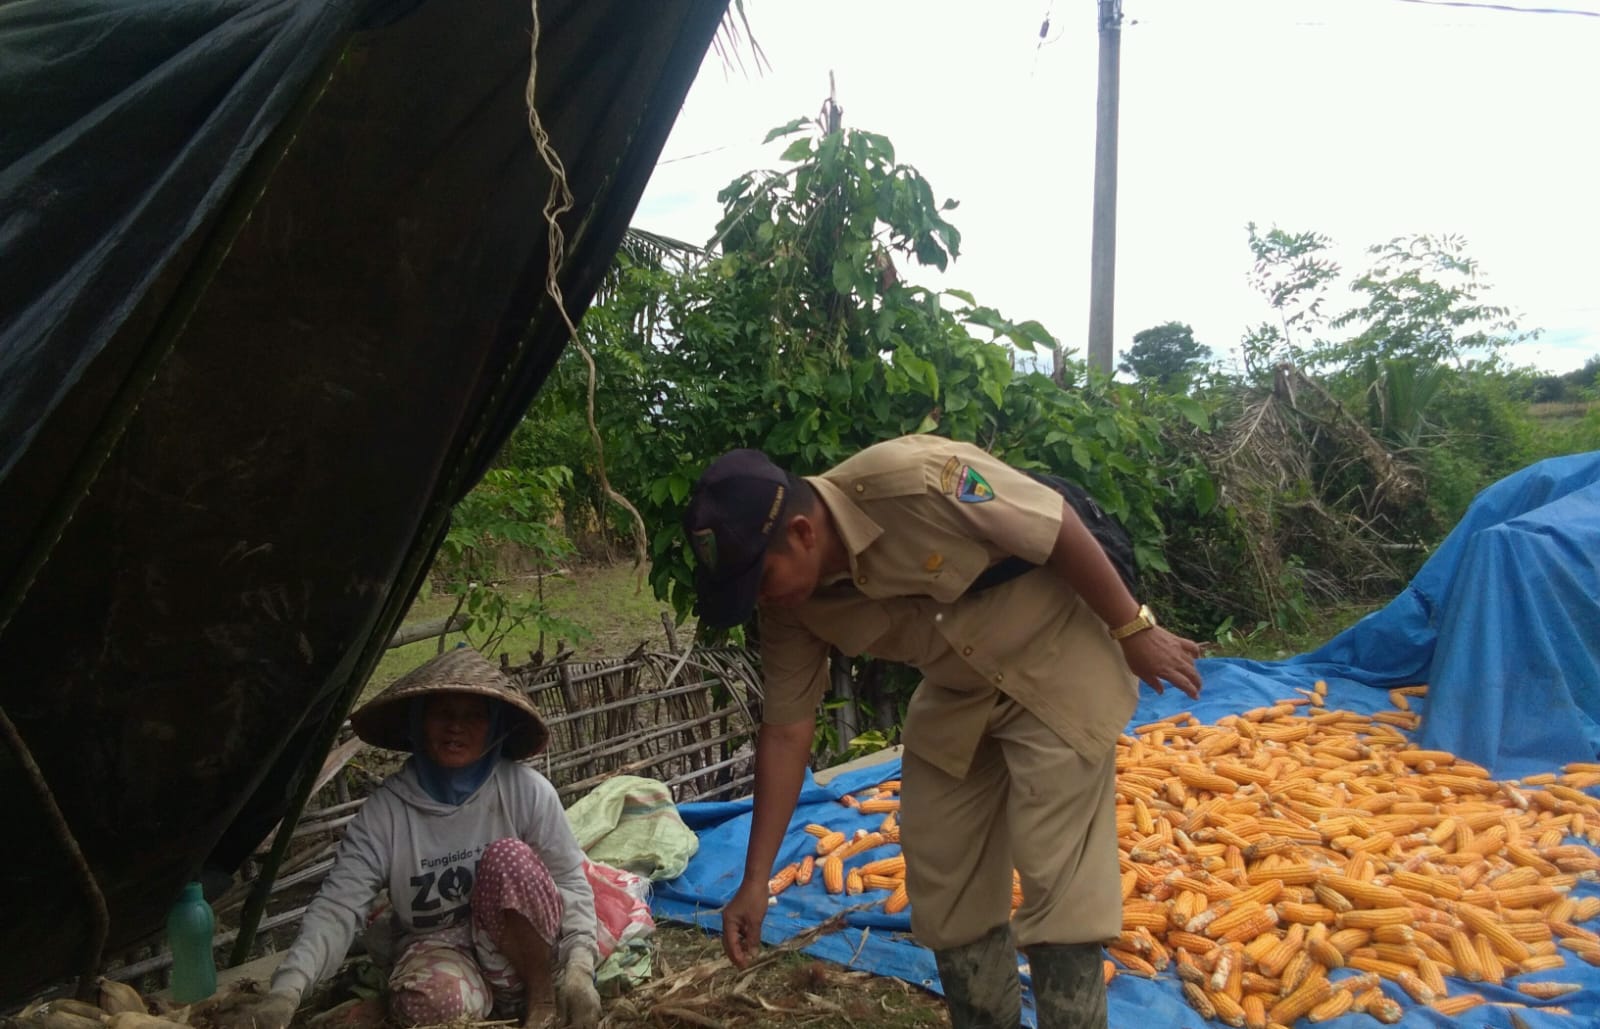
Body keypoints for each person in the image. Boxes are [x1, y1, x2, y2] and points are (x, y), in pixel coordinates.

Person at [682, 435, 1204, 1029]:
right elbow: (784, 731)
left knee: (1060, 885)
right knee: (942, 872)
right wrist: (754, 882)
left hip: (1058, 659)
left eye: (761, 578)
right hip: (961, 689)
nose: (761, 598)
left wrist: (1132, 629)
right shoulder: (790, 606)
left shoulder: (915, 480)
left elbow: (1053, 522)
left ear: (802, 532)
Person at [224, 647, 602, 1029]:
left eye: (474, 715)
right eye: (443, 714)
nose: (456, 727)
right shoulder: (385, 813)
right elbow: (338, 905)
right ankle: (469, 1003)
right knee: (426, 1004)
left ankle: (541, 998)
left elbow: (569, 877)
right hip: (440, 948)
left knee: (508, 857)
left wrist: (581, 967)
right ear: (418, 723)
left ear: (497, 727)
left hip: (521, 953)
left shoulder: (525, 791)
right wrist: (287, 992)